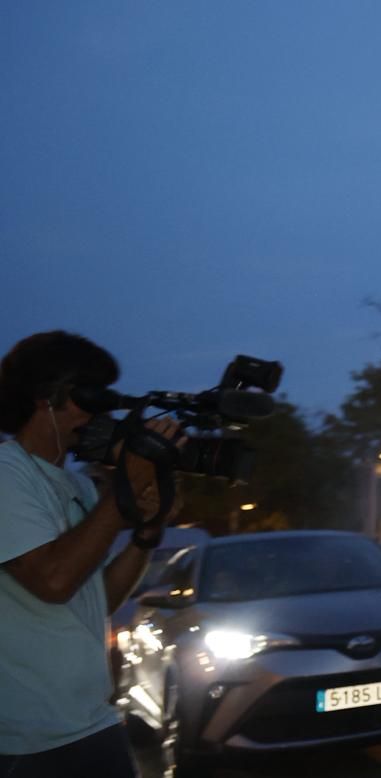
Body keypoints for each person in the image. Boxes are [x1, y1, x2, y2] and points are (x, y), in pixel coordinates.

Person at [0, 331, 179, 778]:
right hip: (31, 741)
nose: (101, 415)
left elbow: (99, 600)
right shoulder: (7, 474)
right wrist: (123, 492)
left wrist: (146, 533)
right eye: (90, 398)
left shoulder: (77, 485)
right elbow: (53, 582)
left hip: (92, 722)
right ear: (46, 396)